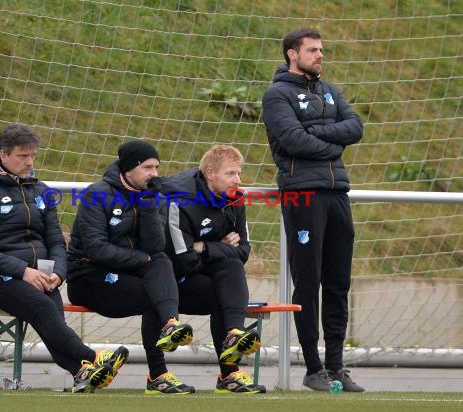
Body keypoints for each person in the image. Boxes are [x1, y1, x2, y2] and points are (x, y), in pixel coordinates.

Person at [0, 123, 128, 393]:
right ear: (3, 156)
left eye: (33, 156)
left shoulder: (42, 190)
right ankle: (94, 358)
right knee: (44, 309)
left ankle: (82, 373)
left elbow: (56, 241)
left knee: (52, 318)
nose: (30, 162)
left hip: (41, 277)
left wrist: (58, 274)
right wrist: (23, 271)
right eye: (23, 156)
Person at [261, 28, 365, 392]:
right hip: (302, 194)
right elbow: (292, 140)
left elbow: (355, 127)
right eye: (313, 50)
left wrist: (319, 135)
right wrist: (332, 143)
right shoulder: (277, 94)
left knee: (338, 282)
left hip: (337, 193)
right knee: (308, 281)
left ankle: (337, 366)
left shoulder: (330, 91)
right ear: (292, 54)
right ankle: (312, 367)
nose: (321, 55)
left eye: (322, 49)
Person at [66, 140, 196, 395]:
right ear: (129, 170)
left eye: (157, 167)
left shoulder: (152, 195)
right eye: (148, 167)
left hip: (127, 272)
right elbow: (97, 250)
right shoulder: (97, 193)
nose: (155, 174)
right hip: (88, 277)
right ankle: (158, 374)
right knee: (156, 292)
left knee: (161, 262)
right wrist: (141, 260)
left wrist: (148, 205)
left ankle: (171, 324)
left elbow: (156, 246)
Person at [161, 144, 266, 394]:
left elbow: (243, 253)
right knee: (225, 281)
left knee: (229, 271)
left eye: (238, 173)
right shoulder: (180, 200)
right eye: (231, 174)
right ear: (210, 172)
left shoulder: (236, 198)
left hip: (205, 274)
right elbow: (182, 259)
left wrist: (205, 247)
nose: (237, 181)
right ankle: (158, 375)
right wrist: (218, 246)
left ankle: (232, 346)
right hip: (172, 283)